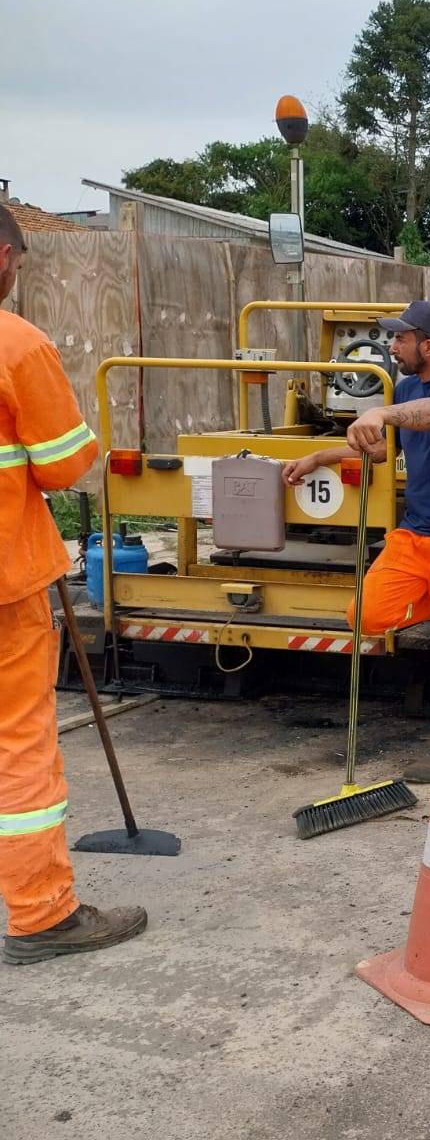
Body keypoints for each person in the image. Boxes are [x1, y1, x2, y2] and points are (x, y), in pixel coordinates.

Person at [0, 203, 148, 965]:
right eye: (18, 265)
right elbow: (63, 466)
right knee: (20, 747)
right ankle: (41, 916)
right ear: (1, 256)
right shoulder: (15, 344)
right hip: (7, 588)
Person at [283, 299, 430, 782]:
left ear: (427, 345)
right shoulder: (405, 387)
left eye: (400, 338)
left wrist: (383, 410)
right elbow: (382, 448)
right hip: (418, 533)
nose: (391, 346)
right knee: (365, 615)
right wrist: (320, 455)